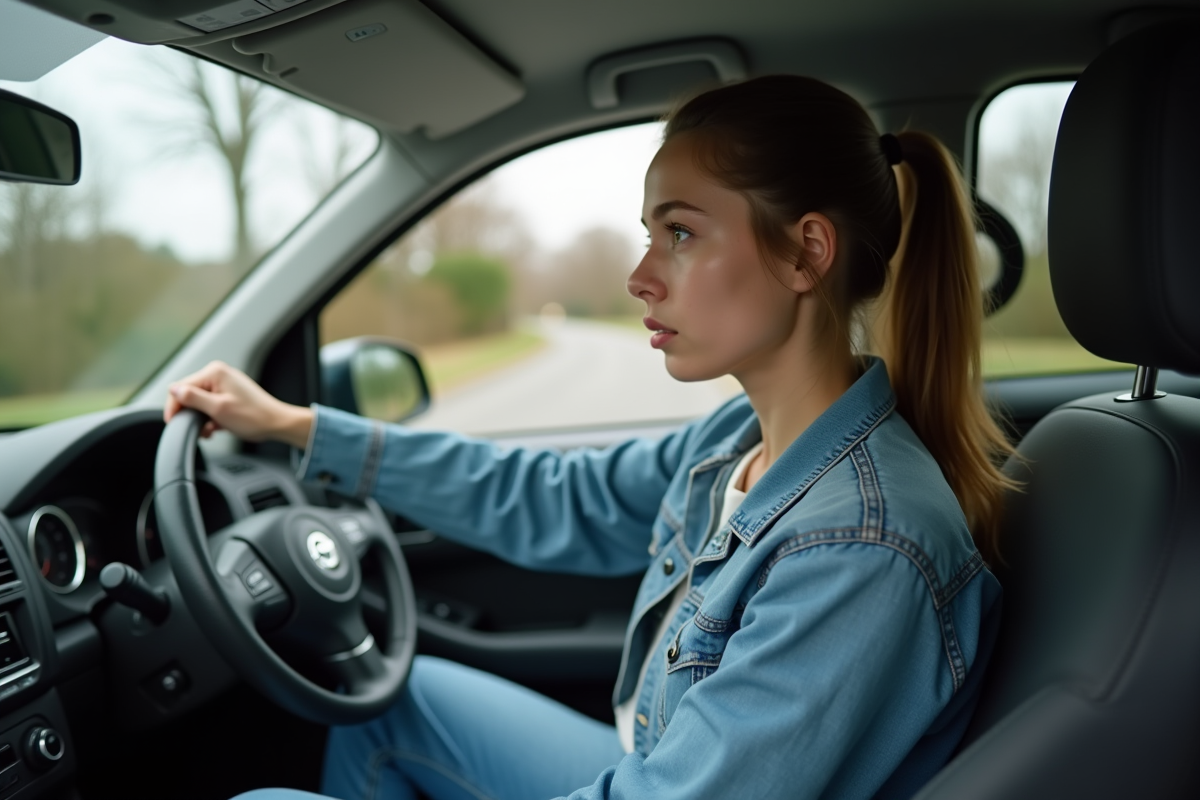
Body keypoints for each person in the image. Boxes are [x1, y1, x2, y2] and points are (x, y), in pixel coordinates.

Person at [167, 75, 1013, 800]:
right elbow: (550, 495)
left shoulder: (862, 546)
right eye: (652, 235)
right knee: (391, 698)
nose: (641, 277)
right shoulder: (738, 437)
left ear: (806, 253)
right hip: (643, 758)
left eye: (680, 233)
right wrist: (296, 427)